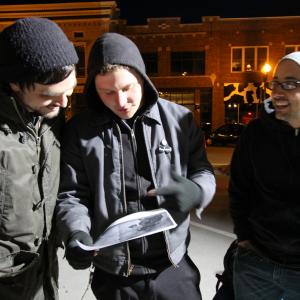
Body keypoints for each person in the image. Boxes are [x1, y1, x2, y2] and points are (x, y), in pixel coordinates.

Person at [56, 32, 216, 300]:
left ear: (142, 78)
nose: (120, 102)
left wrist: (197, 191)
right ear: (94, 90)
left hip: (173, 265)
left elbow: (202, 170)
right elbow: (72, 194)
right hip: (115, 273)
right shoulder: (78, 131)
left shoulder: (181, 120)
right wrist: (76, 233)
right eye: (107, 92)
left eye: (127, 88)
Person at [0, 17, 78, 300]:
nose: (64, 103)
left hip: (43, 277)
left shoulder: (51, 118)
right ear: (15, 84)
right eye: (50, 96)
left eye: (69, 92)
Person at [229, 51, 300, 300]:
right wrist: (245, 237)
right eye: (275, 83)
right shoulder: (256, 134)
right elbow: (239, 189)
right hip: (256, 265)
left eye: (289, 83)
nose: (278, 91)